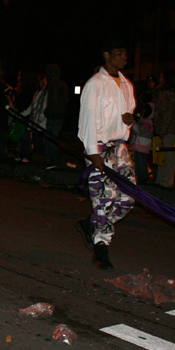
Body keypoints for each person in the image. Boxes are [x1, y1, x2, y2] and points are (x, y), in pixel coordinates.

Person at [76, 39, 137, 270]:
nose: (124, 57)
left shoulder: (127, 84)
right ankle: (101, 247)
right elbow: (87, 120)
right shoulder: (96, 83)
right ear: (107, 55)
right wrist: (93, 153)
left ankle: (92, 224)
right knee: (103, 200)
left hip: (120, 148)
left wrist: (130, 119)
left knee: (129, 198)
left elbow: (128, 112)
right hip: (100, 148)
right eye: (119, 53)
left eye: (125, 53)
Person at [152, 68, 175, 188]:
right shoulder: (164, 92)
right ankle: (161, 179)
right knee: (162, 154)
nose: (159, 79)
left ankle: (168, 181)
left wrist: (163, 130)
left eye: (161, 77)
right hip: (162, 128)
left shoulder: (173, 93)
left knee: (169, 155)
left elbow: (170, 113)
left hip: (169, 129)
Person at [43, 64, 68, 168]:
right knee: (51, 139)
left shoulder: (55, 84)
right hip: (59, 115)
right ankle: (52, 160)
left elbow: (54, 101)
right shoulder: (61, 84)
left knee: (51, 139)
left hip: (54, 116)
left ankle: (53, 161)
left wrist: (48, 111)